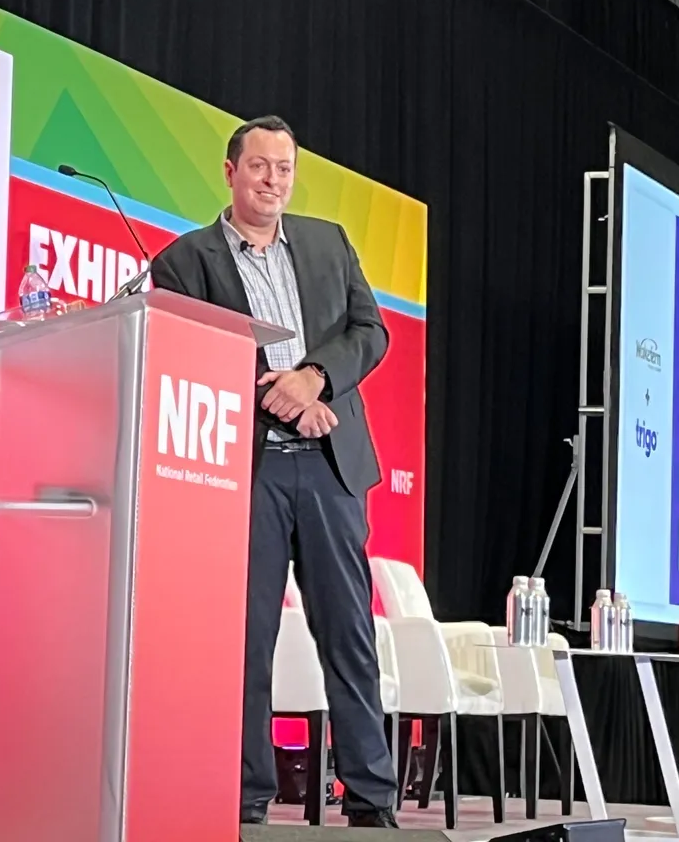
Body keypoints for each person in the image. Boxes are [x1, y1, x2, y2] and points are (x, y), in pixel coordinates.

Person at [149, 115, 398, 829]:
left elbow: (368, 332)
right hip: (243, 475)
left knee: (349, 636)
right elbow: (185, 353)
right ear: (230, 172)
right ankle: (244, 799)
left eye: (284, 169)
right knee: (244, 642)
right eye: (260, 167)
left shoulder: (327, 242)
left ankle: (373, 799)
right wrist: (283, 395)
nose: (274, 181)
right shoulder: (184, 260)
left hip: (329, 470)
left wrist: (315, 377)